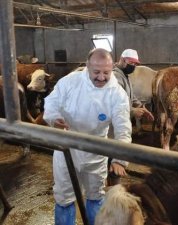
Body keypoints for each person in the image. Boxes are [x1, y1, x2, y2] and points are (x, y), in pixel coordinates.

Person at [43, 48, 132, 225]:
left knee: (96, 194)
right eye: (96, 72)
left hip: (96, 150)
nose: (101, 77)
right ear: (87, 66)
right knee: (64, 196)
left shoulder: (116, 93)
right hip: (67, 147)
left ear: (112, 67)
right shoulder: (70, 82)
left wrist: (119, 158)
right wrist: (54, 120)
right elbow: (51, 104)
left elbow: (123, 126)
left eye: (106, 72)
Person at [107, 49, 154, 185]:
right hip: (112, 126)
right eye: (131, 63)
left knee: (117, 153)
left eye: (136, 64)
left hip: (121, 123)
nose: (134, 66)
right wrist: (133, 112)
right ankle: (112, 188)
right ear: (123, 60)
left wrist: (141, 107)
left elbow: (130, 96)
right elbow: (114, 104)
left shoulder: (125, 76)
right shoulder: (115, 77)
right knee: (112, 155)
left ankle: (113, 185)